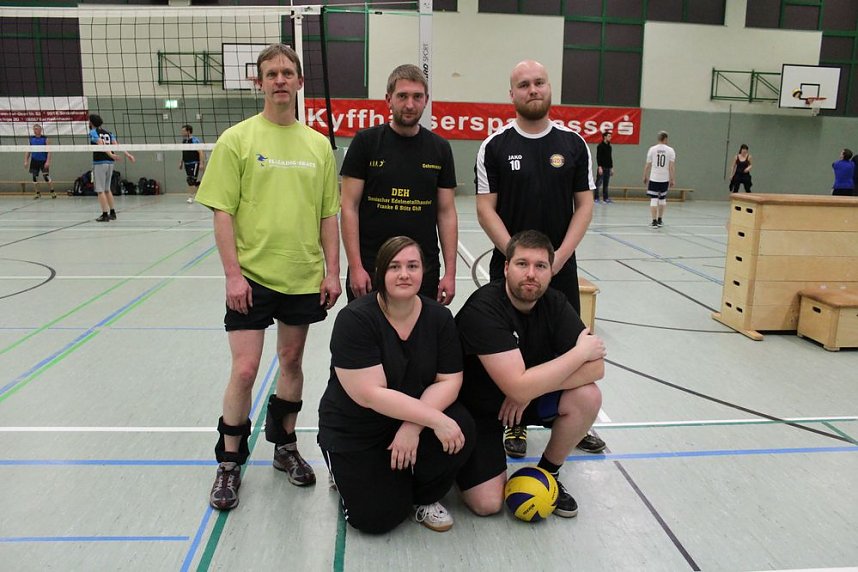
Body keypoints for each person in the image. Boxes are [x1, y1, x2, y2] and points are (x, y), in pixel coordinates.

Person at [195, 43, 342, 511]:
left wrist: (332, 271)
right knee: (244, 369)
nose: (280, 80)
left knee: (292, 363)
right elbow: (222, 211)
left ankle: (284, 446)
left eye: (287, 72)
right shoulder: (236, 140)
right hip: (252, 278)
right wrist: (233, 276)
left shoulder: (319, 145)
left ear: (300, 83)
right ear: (259, 83)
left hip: (301, 276)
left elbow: (328, 216)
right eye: (271, 73)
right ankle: (230, 461)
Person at [474, 59, 604, 459]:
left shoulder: (572, 144)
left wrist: (558, 259)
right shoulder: (494, 146)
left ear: (550, 88)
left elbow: (584, 206)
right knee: (512, 349)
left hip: (560, 267)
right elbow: (485, 208)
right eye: (524, 84)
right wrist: (516, 257)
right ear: (511, 94)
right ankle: (514, 423)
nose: (533, 89)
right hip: (510, 269)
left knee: (569, 344)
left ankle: (571, 417)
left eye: (539, 83)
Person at [318, 236, 475, 534]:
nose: (404, 274)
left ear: (423, 272)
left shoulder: (440, 319)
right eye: (395, 267)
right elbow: (371, 395)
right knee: (377, 520)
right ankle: (342, 470)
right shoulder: (355, 319)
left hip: (407, 419)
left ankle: (423, 496)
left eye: (412, 266)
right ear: (381, 273)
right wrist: (431, 419)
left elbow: (450, 381)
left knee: (460, 425)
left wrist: (413, 427)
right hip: (357, 428)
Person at [455, 230, 606, 519]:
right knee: (487, 504)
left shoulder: (555, 303)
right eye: (522, 264)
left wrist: (529, 389)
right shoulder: (484, 308)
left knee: (587, 396)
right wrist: (577, 353)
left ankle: (548, 473)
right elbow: (519, 386)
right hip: (479, 410)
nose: (531, 274)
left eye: (540, 266)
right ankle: (458, 462)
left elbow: (596, 368)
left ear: (551, 271)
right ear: (505, 268)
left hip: (524, 400)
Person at [340, 64, 458, 305]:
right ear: (389, 99)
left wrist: (450, 273)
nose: (410, 104)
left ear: (426, 100)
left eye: (417, 97)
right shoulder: (365, 143)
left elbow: (446, 213)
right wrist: (355, 267)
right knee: (369, 339)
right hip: (371, 268)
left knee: (418, 341)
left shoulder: (440, 149)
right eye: (402, 96)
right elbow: (349, 207)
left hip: (422, 270)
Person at [88, 114, 135, 222]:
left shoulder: (93, 132)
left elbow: (101, 144)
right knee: (107, 189)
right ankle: (112, 213)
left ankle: (105, 215)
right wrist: (128, 155)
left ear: (91, 122)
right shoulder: (109, 133)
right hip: (110, 163)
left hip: (100, 162)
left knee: (100, 191)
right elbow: (117, 145)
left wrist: (111, 154)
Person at [642, 130, 676, 228]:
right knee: (662, 199)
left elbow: (647, 164)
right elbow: (671, 166)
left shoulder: (652, 149)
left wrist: (644, 175)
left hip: (654, 178)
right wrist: (672, 178)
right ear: (665, 139)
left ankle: (654, 221)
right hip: (664, 178)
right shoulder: (670, 150)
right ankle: (660, 219)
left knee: (654, 199)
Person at [24, 124, 55, 199]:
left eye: (37, 129)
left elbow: (49, 151)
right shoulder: (31, 139)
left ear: (40, 130)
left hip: (43, 161)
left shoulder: (45, 139)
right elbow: (28, 151)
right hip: (34, 161)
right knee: (34, 177)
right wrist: (26, 161)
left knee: (46, 177)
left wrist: (48, 161)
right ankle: (37, 193)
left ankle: (52, 191)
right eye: (34, 129)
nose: (35, 130)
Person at [179, 124, 205, 203]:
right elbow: (183, 152)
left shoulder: (194, 140)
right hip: (187, 163)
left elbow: (200, 152)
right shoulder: (184, 141)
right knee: (191, 180)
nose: (182, 132)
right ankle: (199, 185)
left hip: (194, 163)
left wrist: (201, 163)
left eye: (183, 131)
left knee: (190, 180)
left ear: (188, 131)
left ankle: (191, 197)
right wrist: (181, 162)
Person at [594, 130, 613, 204]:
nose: (610, 137)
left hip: (608, 167)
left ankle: (606, 198)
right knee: (598, 183)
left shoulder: (609, 147)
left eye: (610, 136)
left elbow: (610, 157)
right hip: (602, 167)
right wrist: (599, 167)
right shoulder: (600, 146)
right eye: (609, 136)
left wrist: (611, 168)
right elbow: (598, 157)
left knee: (606, 184)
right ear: (604, 137)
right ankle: (596, 198)